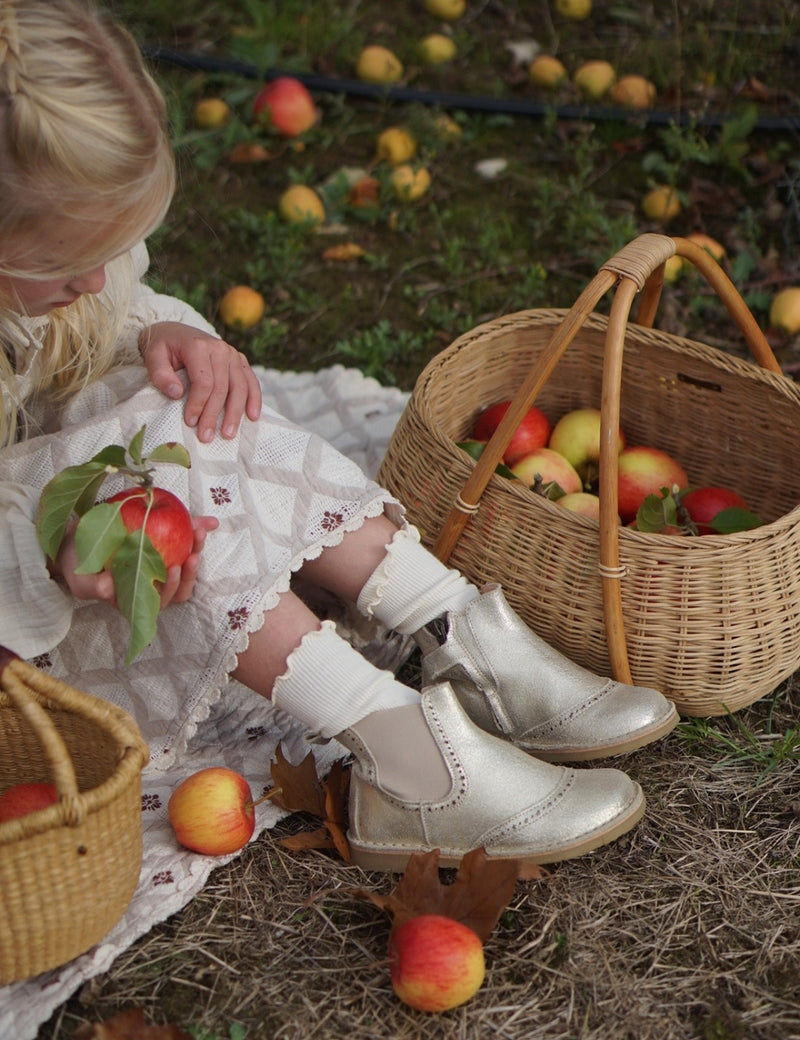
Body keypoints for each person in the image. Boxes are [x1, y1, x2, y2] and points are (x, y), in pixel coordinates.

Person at [0, 0, 678, 873]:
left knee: (175, 403)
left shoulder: (59, 272)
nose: (94, 279)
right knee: (131, 481)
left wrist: (160, 333)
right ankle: (397, 747)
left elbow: (105, 311)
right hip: (28, 613)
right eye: (64, 263)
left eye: (112, 247)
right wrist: (49, 555)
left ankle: (449, 628)